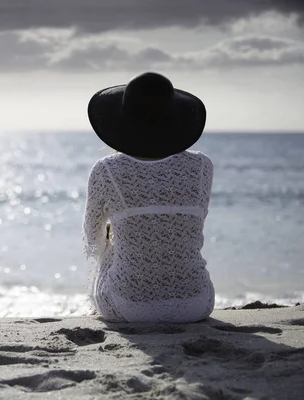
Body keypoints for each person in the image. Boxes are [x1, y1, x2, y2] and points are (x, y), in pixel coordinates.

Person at [83, 72, 215, 323]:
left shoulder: (106, 170)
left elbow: (92, 235)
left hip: (128, 307)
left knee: (110, 245)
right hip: (196, 303)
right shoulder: (202, 166)